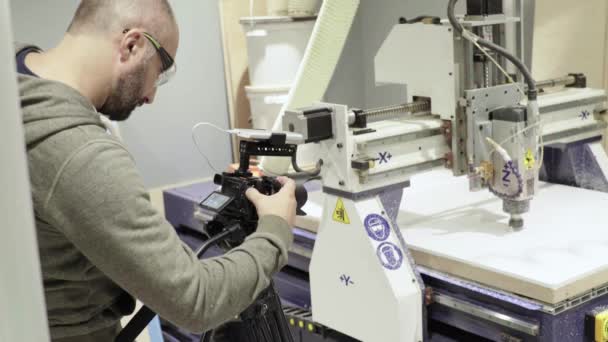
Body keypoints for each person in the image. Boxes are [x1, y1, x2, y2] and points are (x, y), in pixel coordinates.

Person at [15, 1, 297, 341]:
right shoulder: (80, 154)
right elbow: (196, 301)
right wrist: (275, 229)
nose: (151, 96)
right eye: (160, 71)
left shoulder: (14, 78)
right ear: (132, 44)